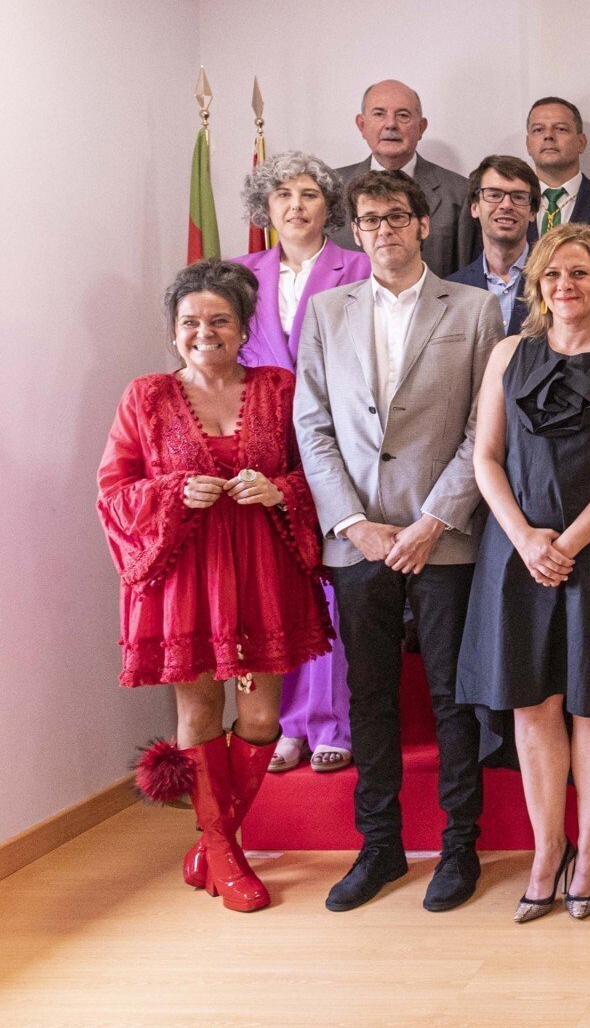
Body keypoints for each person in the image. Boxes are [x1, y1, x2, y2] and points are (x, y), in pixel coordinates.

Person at [295, 171, 505, 914]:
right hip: (358, 538)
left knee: (453, 698)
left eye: (395, 216)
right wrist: (352, 523)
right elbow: (312, 424)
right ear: (356, 232)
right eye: (369, 220)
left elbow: (485, 427)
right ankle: (379, 845)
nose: (383, 230)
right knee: (370, 696)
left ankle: (459, 845)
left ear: (422, 224)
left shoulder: (475, 308)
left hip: (441, 538)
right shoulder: (327, 311)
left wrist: (433, 520)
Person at [104, 259, 332, 912]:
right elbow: (113, 490)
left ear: (244, 327)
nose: (204, 332)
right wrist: (174, 492)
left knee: (261, 718)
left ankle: (215, 839)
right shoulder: (146, 397)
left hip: (263, 575)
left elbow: (319, 468)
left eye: (220, 320)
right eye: (190, 322)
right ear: (173, 330)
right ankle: (227, 857)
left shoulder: (280, 389)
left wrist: (280, 490)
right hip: (186, 581)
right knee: (199, 713)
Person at [455, 224, 590, 923]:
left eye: (578, 273)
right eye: (552, 274)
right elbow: (485, 457)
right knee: (533, 703)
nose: (565, 285)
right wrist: (525, 539)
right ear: (537, 285)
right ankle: (547, 852)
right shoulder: (509, 353)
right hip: (518, 553)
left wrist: (566, 544)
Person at [233, 151, 370, 779]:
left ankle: (330, 723)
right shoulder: (237, 274)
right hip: (260, 450)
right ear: (265, 207)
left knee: (331, 585)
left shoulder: (358, 266)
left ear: (329, 206)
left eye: (309, 193)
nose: (295, 205)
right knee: (275, 587)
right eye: (283, 194)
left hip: (334, 441)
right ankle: (285, 726)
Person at [328, 79, 477, 277]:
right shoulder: (330, 191)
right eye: (379, 114)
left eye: (403, 115)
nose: (391, 124)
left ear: (421, 127)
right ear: (362, 125)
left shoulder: (459, 193)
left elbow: (467, 274)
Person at [448, 156, 539, 335]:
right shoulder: (451, 289)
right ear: (474, 207)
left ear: (533, 212)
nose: (506, 205)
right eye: (494, 195)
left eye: (518, 197)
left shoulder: (555, 282)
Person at [524, 96, 590, 237]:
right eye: (538, 130)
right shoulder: (511, 203)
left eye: (560, 129)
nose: (548, 135)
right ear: (528, 145)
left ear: (581, 143)